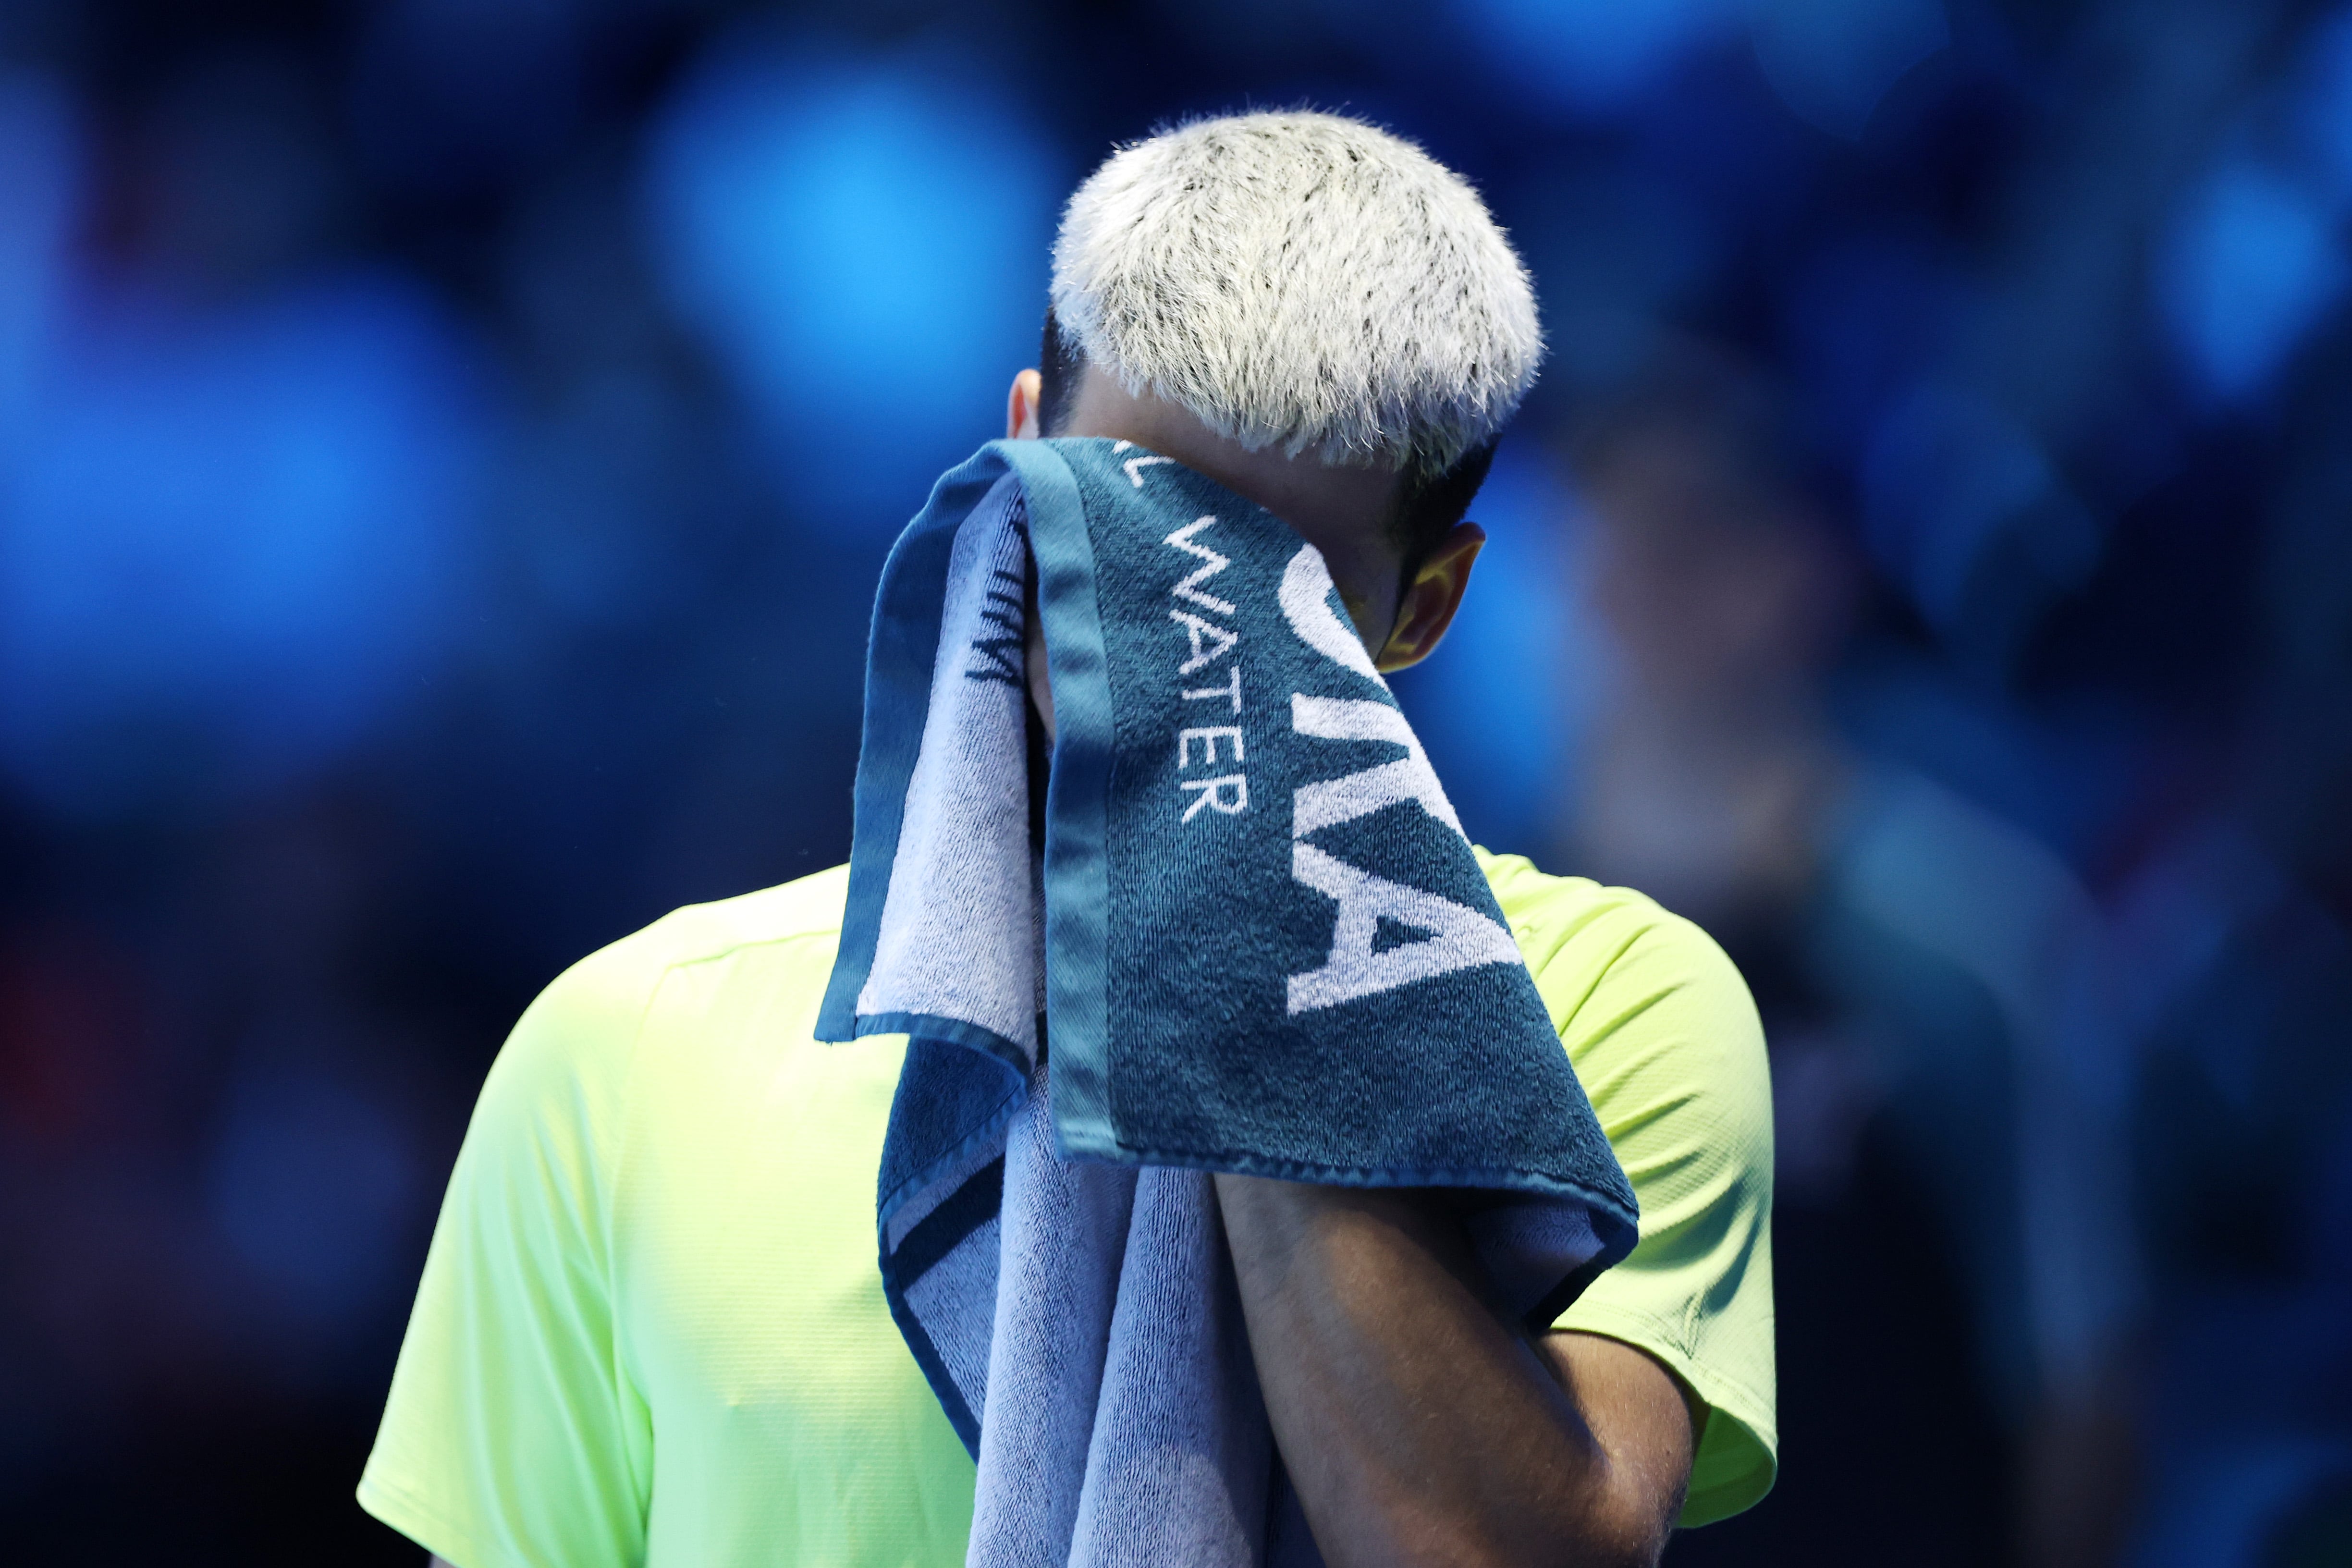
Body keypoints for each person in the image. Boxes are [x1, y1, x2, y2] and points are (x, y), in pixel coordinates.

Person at [358, 111, 1776, 1568]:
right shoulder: (628, 1045)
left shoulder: (1618, 1008)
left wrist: (1226, 939)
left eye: (1273, 593)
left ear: (1422, 608)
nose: (1190, 645)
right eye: (1140, 529)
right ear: (1024, 451)